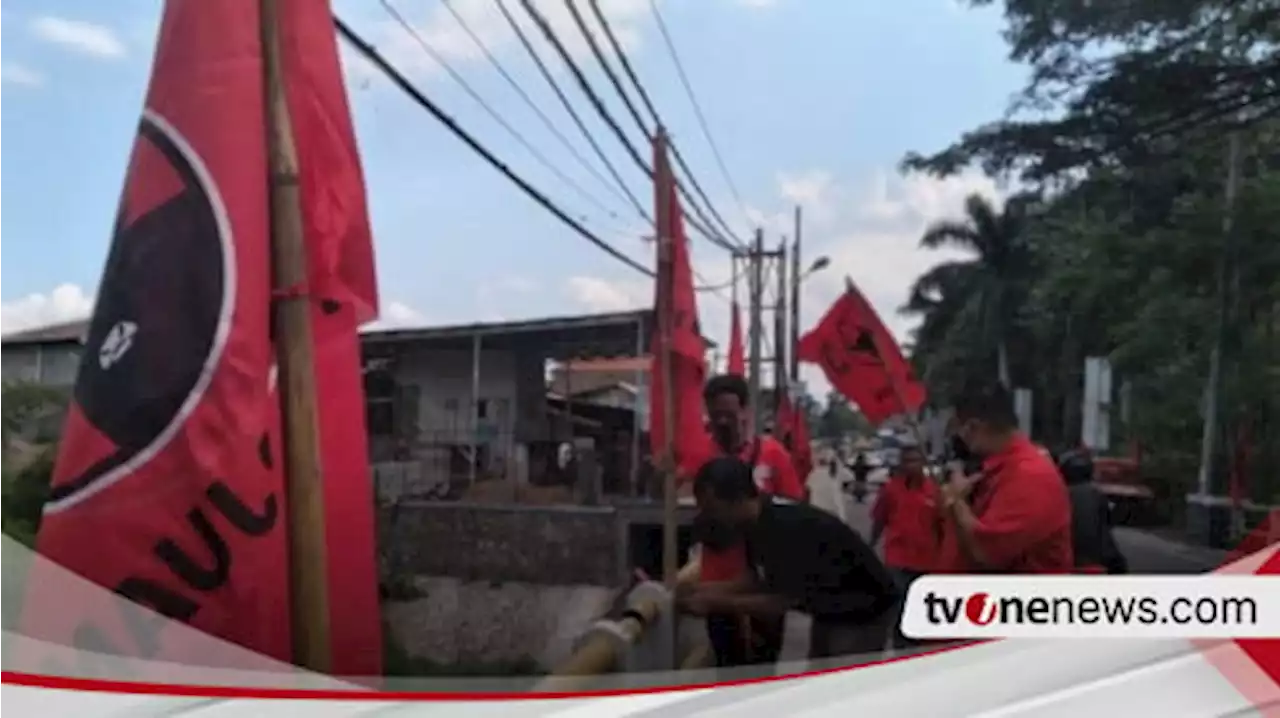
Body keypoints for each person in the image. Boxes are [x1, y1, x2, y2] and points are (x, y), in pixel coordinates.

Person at [680, 456, 899, 662]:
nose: (708, 516)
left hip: (862, 609)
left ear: (737, 499)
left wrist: (717, 602)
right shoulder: (752, 522)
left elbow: (778, 602)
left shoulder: (784, 528)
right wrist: (706, 591)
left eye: (712, 508)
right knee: (818, 677)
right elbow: (757, 577)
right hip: (830, 607)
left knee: (838, 685)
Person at [684, 374, 805, 668]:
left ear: (745, 412)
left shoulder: (774, 455)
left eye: (729, 414)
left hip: (765, 580)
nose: (723, 422)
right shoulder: (698, 455)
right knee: (728, 665)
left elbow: (795, 510)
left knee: (763, 666)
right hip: (718, 578)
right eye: (715, 416)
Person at [935, 382, 1073, 574]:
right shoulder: (995, 468)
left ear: (973, 427)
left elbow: (987, 552)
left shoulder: (1029, 476)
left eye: (958, 427)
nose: (958, 437)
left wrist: (956, 500)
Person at [869, 442, 937, 648]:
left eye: (915, 460)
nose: (910, 465)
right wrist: (869, 547)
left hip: (927, 563)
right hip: (898, 560)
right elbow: (879, 520)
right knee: (900, 613)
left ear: (923, 462)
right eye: (906, 461)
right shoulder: (891, 489)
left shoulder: (936, 490)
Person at [1057, 448, 1128, 575]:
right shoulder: (1095, 493)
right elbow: (1107, 523)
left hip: (1067, 559)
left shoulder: (1058, 493)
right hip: (1089, 559)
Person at [807, 449, 850, 523]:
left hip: (818, 507)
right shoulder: (837, 471)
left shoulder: (815, 473)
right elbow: (849, 479)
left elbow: (808, 487)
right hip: (834, 506)